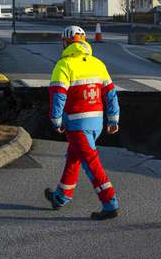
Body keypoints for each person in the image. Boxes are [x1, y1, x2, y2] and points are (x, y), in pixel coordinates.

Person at [44, 25, 121, 220]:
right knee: (74, 158)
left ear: (66, 43)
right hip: (97, 122)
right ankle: (61, 197)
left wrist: (56, 120)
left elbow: (58, 95)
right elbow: (111, 94)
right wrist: (113, 118)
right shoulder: (98, 63)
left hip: (77, 124)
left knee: (91, 164)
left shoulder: (64, 65)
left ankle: (110, 203)